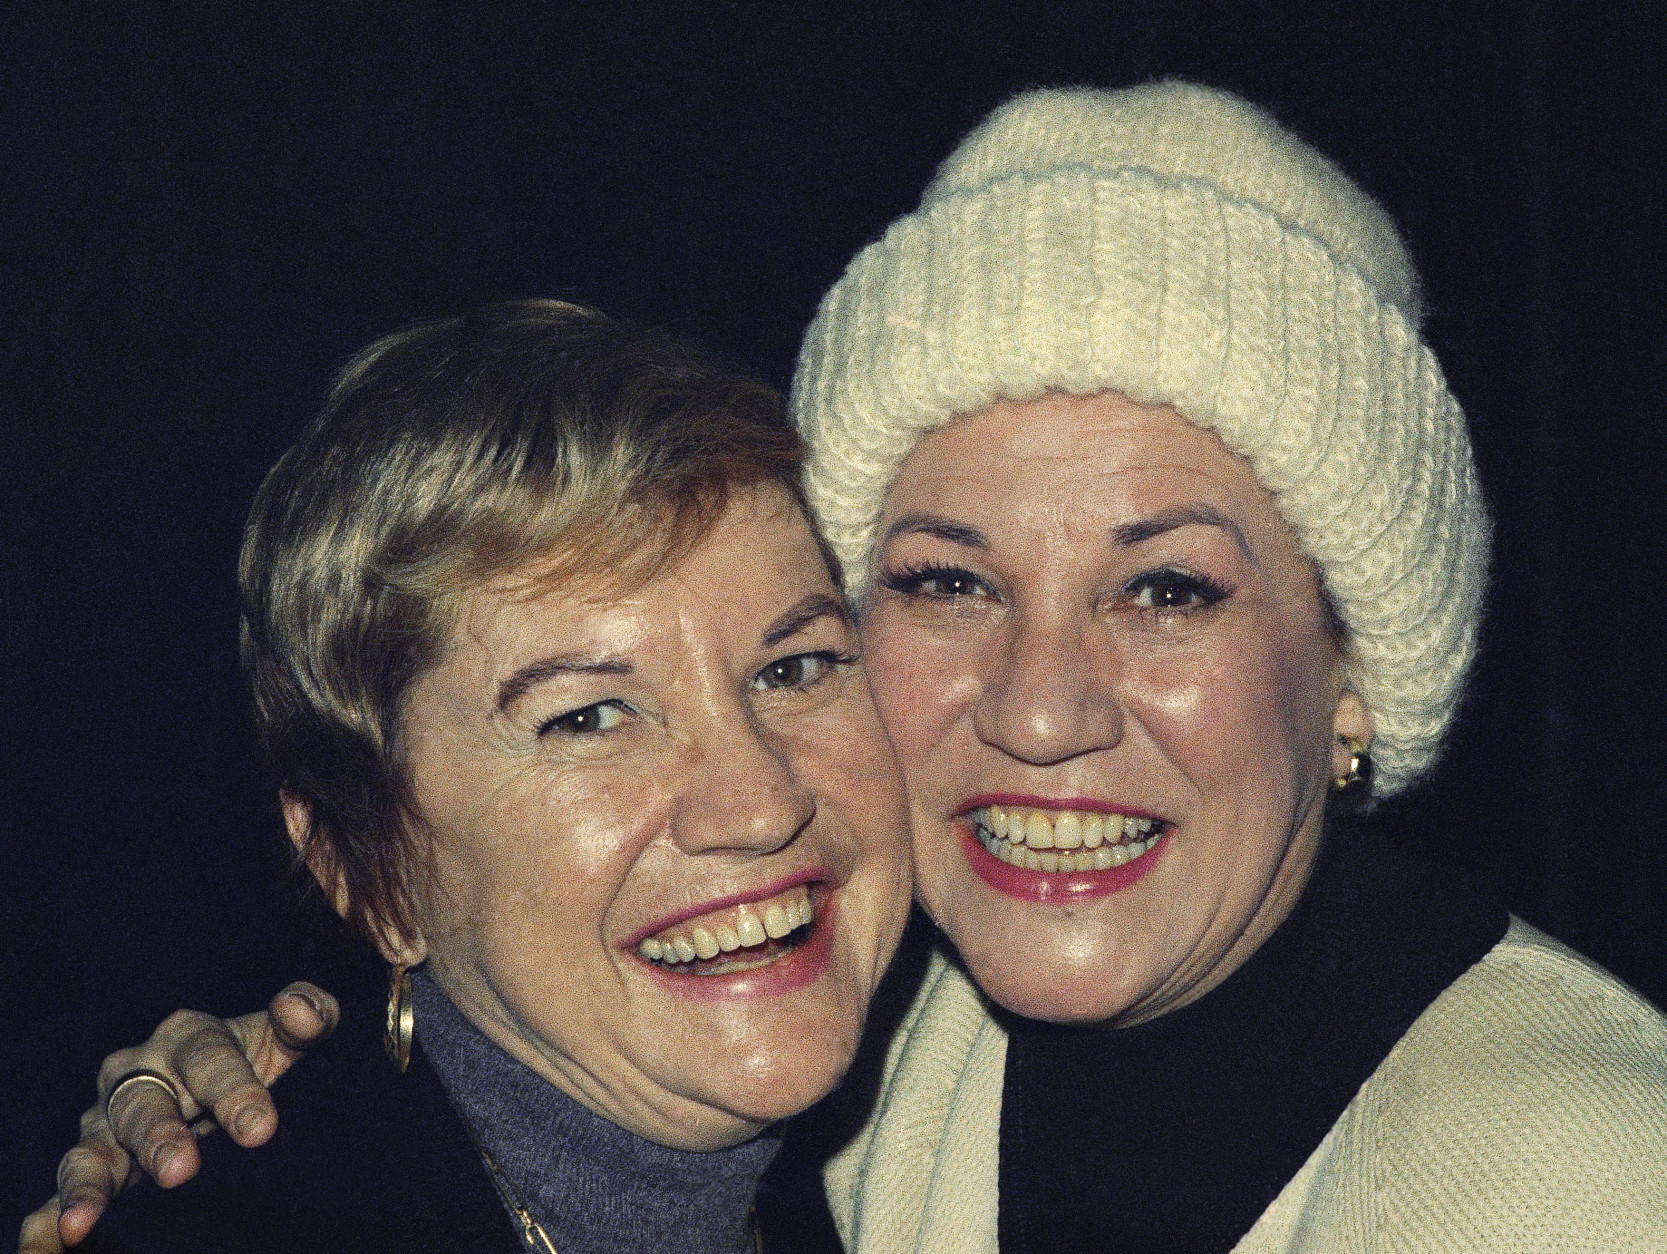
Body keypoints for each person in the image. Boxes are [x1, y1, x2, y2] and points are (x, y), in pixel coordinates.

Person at [26, 83, 1667, 1253]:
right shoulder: (882, 1075)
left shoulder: (1596, 1166)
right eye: (949, 580)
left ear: (1354, 665)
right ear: (360, 860)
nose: (1039, 703)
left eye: (1165, 586)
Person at [20, 298, 913, 1253]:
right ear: (368, 872)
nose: (761, 802)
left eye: (793, 668)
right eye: (587, 718)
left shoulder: (916, 1156)